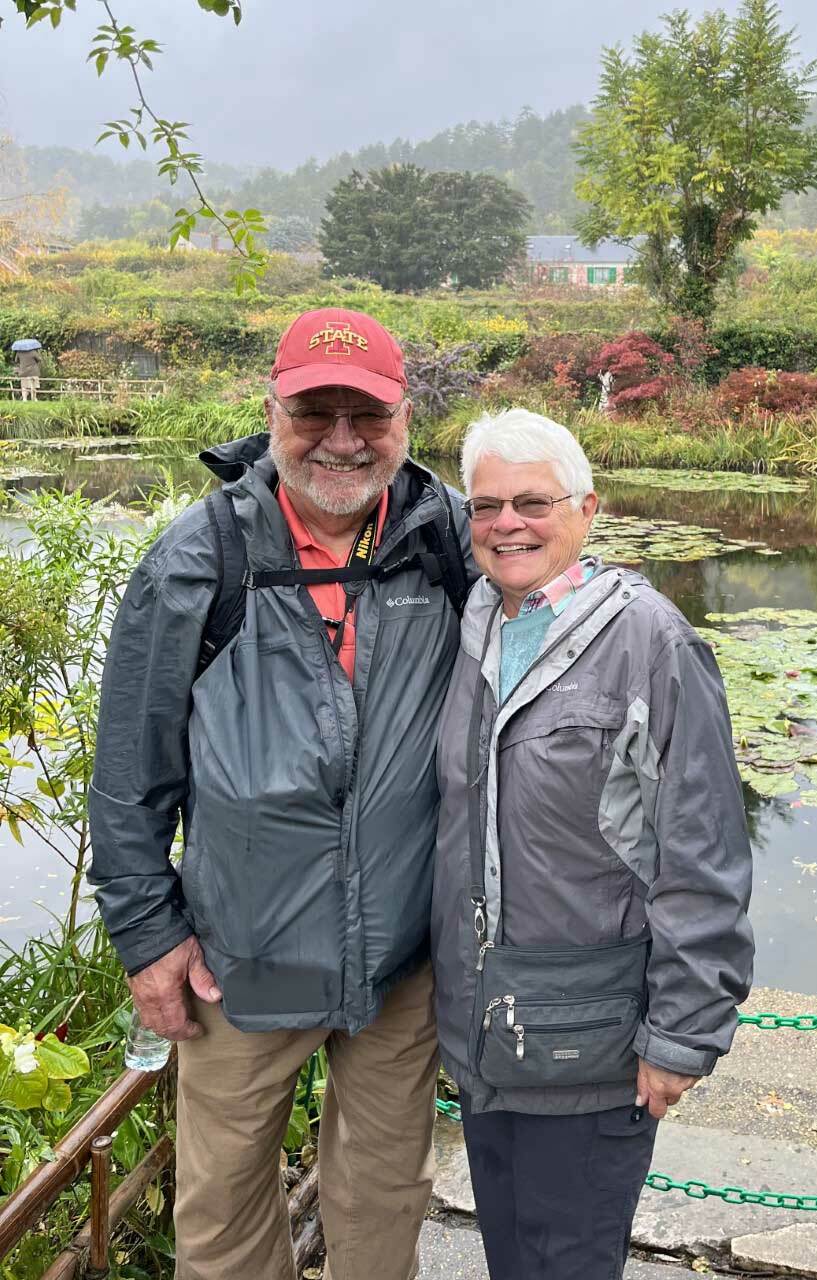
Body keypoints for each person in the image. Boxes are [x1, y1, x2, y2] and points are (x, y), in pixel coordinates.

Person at [88, 307, 475, 1280]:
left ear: (405, 421)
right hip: (239, 954)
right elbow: (131, 776)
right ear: (271, 407)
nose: (341, 439)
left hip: (402, 955)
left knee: (384, 1195)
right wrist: (147, 937)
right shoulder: (196, 559)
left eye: (367, 414)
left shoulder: (454, 543)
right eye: (314, 410)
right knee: (220, 1211)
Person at [431, 408, 754, 1280]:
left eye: (533, 502)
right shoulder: (472, 626)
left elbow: (704, 851)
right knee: (510, 1257)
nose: (507, 524)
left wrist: (680, 1033)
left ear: (587, 508)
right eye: (486, 505)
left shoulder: (651, 642)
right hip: (485, 1036)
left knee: (569, 1262)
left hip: (591, 1042)